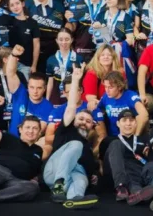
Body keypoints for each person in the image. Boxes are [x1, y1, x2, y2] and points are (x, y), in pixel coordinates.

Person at [43, 64, 100, 208]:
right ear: (73, 120)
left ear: (92, 126)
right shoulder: (66, 129)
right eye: (80, 119)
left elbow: (89, 171)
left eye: (88, 121)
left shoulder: (87, 147)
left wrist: (92, 175)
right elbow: (71, 107)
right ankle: (58, 185)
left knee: (81, 179)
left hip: (73, 176)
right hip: (53, 172)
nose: (83, 123)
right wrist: (75, 80)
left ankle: (75, 199)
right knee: (76, 144)